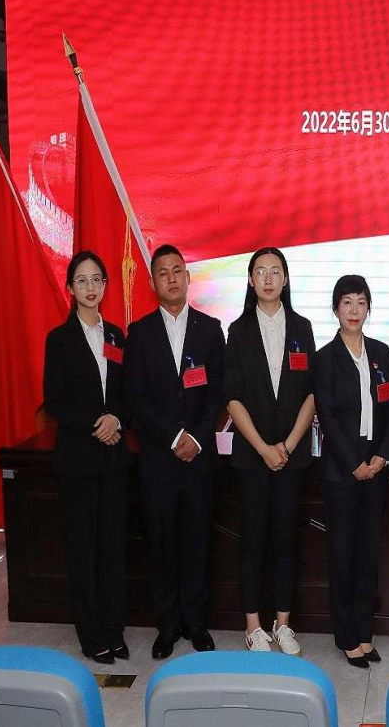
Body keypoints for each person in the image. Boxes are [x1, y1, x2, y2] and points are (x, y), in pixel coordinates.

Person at [123, 244, 226, 660]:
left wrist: (196, 438)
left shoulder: (210, 329)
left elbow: (217, 392)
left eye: (177, 270)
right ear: (153, 283)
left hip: (199, 458)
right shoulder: (139, 333)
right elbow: (135, 398)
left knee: (197, 542)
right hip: (159, 461)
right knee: (163, 544)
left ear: (187, 277)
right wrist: (173, 436)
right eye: (163, 273)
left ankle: (195, 622)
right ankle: (167, 625)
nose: (171, 278)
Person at [223, 247, 317, 654]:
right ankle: (253, 626)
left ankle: (283, 624)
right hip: (252, 457)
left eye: (275, 271)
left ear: (285, 279)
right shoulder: (238, 330)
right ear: (250, 280)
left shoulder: (302, 327)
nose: (267, 279)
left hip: (291, 457)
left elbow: (311, 393)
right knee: (253, 541)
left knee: (285, 539)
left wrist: (288, 446)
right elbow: (232, 397)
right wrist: (263, 448)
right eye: (260, 272)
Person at [42, 251, 129, 665]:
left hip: (113, 461)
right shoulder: (58, 340)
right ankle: (91, 634)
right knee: (83, 551)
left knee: (112, 549)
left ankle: (114, 629)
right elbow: (54, 402)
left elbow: (127, 393)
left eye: (97, 280)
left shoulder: (117, 336)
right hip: (78, 460)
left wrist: (117, 418)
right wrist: (98, 422)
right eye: (82, 281)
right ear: (70, 289)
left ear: (106, 286)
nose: (90, 287)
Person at [313, 275, 389, 667]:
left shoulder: (380, 353)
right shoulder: (325, 358)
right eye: (347, 302)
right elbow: (327, 416)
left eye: (361, 302)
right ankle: (346, 635)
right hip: (342, 472)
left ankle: (364, 632)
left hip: (376, 470)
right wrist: (355, 464)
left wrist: (382, 456)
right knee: (343, 555)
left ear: (368, 308)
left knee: (368, 556)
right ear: (335, 308)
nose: (354, 310)